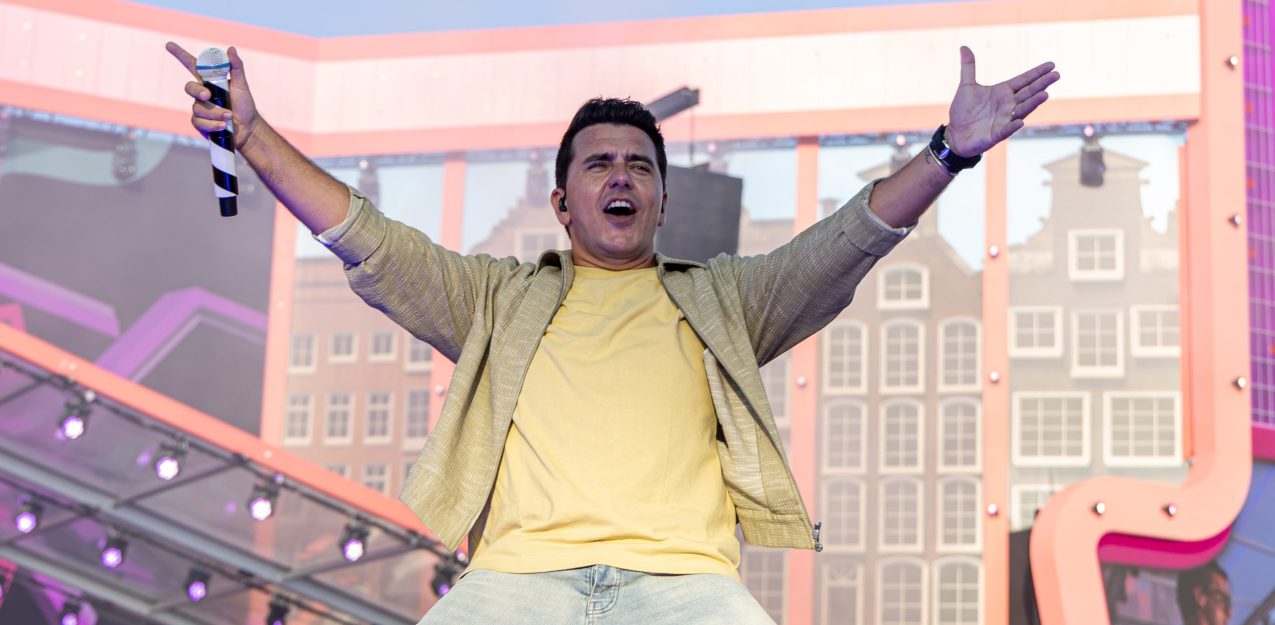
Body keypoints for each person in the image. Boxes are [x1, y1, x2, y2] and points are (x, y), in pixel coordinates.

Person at [168, 41, 1058, 624]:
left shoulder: (726, 299)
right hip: (517, 584)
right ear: (563, 203)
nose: (620, 176)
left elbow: (845, 242)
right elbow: (366, 236)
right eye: (599, 163)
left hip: (687, 588)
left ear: (662, 200)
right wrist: (253, 135)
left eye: (638, 165)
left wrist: (948, 151)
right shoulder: (493, 299)